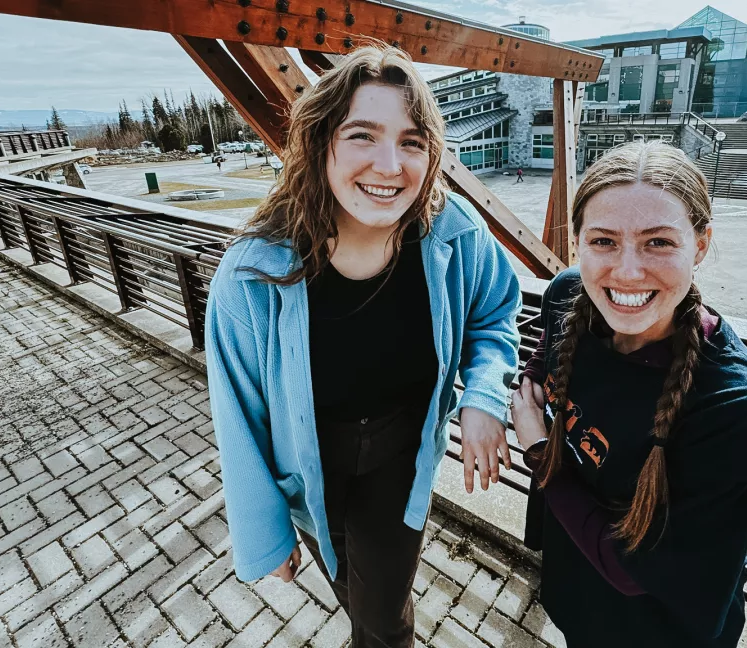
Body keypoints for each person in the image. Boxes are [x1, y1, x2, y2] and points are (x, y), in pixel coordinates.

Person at [204, 46, 521, 648]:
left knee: (381, 611)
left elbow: (495, 313)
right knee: (351, 581)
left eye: (411, 141)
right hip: (309, 465)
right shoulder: (253, 274)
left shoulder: (453, 234)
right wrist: (265, 533)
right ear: (320, 143)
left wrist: (484, 396)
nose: (390, 163)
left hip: (400, 457)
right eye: (362, 135)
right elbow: (236, 413)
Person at [510, 142, 747, 647]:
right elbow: (549, 351)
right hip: (578, 595)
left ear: (700, 245)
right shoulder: (567, 296)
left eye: (658, 242)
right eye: (604, 241)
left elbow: (633, 570)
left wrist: (537, 453)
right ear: (577, 243)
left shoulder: (738, 410)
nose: (628, 272)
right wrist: (526, 383)